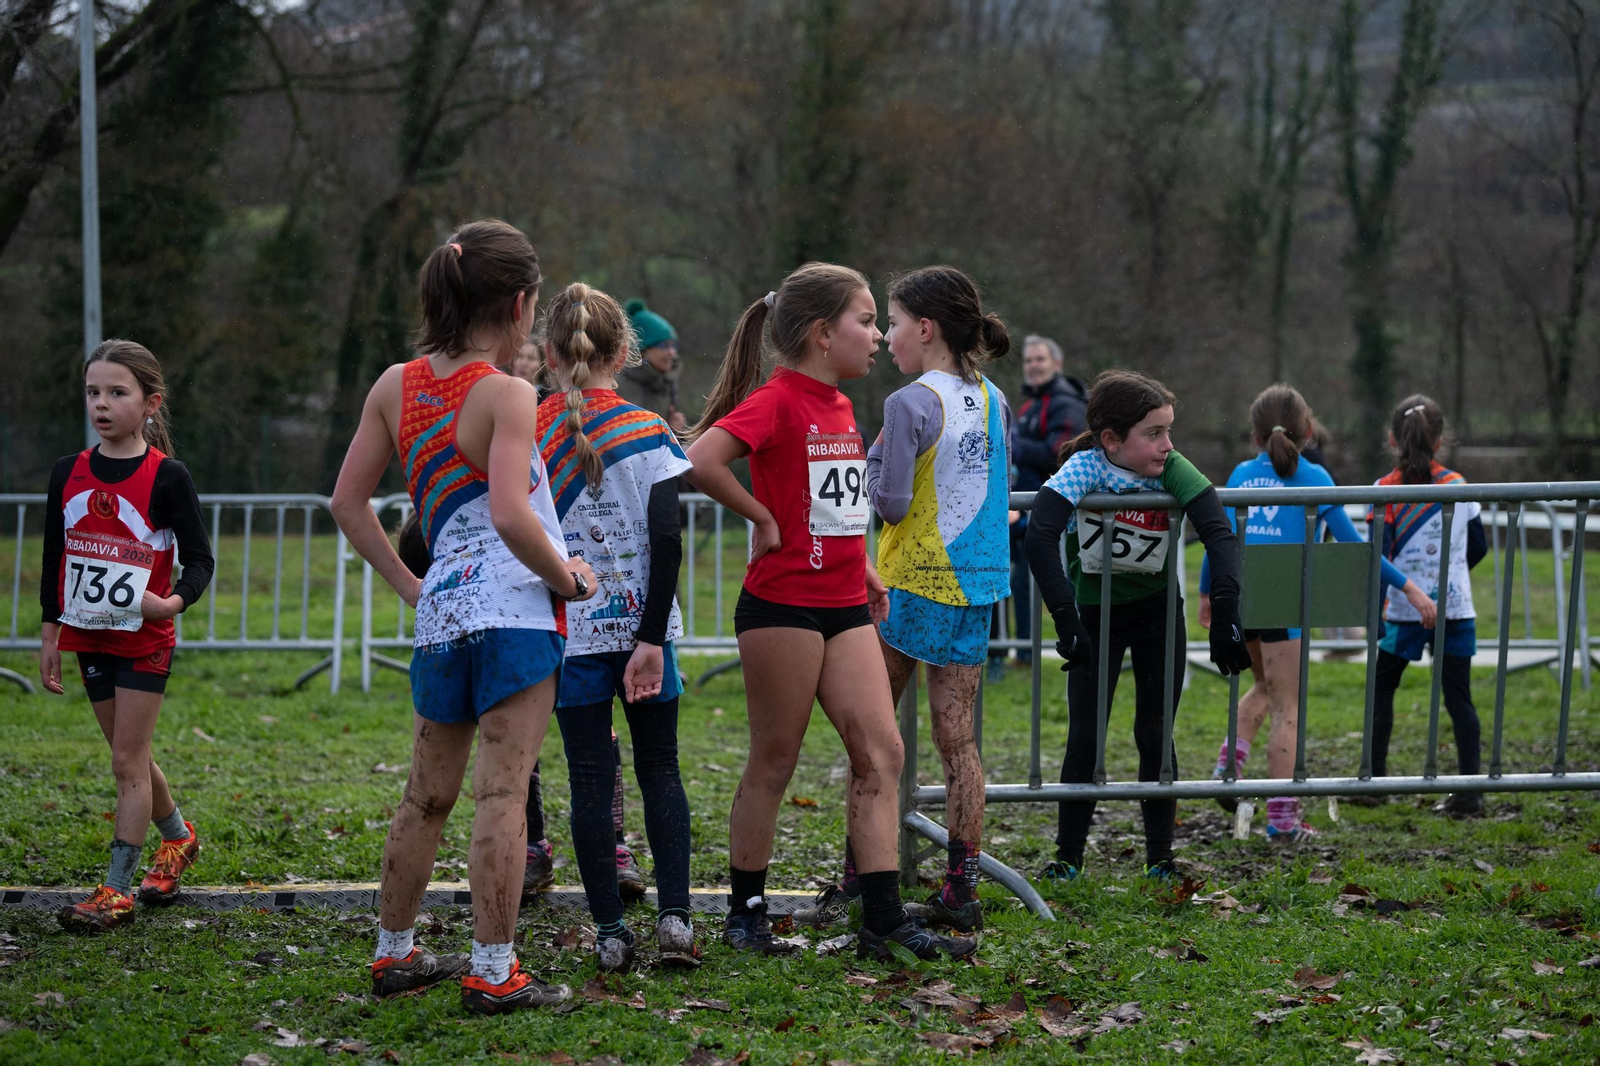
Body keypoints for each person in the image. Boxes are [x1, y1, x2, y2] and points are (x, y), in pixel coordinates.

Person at [330, 219, 596, 1015]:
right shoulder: (508, 393)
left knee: (424, 796)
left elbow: (347, 502)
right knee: (501, 796)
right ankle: (492, 968)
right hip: (514, 615)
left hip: (443, 612)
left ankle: (394, 954)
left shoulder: (393, 385)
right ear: (520, 305)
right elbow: (515, 516)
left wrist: (409, 586)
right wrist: (570, 577)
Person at [685, 263, 973, 961]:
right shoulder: (780, 401)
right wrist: (757, 515)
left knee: (882, 753)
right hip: (782, 608)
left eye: (880, 322)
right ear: (822, 333)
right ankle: (746, 915)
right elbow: (700, 459)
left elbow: (834, 507)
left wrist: (864, 564)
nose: (878, 336)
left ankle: (880, 918)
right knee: (775, 761)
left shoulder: (842, 406)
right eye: (866, 321)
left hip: (845, 605)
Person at [1024, 369, 1252, 883]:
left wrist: (1227, 613)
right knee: (1085, 735)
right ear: (1112, 439)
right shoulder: (1086, 468)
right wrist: (1064, 617)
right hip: (1094, 616)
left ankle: (1160, 857)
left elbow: (1219, 531)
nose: (1168, 445)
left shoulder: (1170, 468)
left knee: (1155, 733)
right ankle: (1068, 856)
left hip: (1157, 613)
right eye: (1154, 433)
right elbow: (1039, 536)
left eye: (1170, 430)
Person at [536, 282, 697, 971]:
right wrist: (653, 640)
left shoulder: (528, 431)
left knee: (588, 782)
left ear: (547, 353)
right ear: (624, 352)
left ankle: (608, 934)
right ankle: (677, 925)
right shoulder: (652, 432)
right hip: (646, 634)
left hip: (568, 638)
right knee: (661, 768)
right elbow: (669, 542)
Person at [1197, 384, 1437, 839]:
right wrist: (1409, 586)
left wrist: (1208, 594)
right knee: (1289, 707)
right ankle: (1282, 822)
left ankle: (1227, 771)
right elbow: (1354, 547)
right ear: (1309, 431)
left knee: (1262, 687)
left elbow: (1219, 538)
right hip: (1284, 601)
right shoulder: (1315, 479)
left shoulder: (1242, 473)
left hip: (1244, 598)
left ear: (1255, 434)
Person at [41, 340, 214, 933]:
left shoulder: (167, 476)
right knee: (130, 756)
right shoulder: (68, 472)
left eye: (118, 392)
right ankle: (179, 838)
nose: (102, 404)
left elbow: (199, 560)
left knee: (125, 760)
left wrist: (170, 603)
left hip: (146, 638)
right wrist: (49, 634)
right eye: (94, 392)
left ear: (150, 404)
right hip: (89, 636)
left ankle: (115, 891)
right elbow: (53, 560)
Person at [868, 266, 1012, 932]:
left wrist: (868, 465)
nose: (886, 336)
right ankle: (962, 887)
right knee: (959, 744)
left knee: (872, 736)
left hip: (909, 586)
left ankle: (861, 878)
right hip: (976, 585)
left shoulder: (908, 403)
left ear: (925, 329)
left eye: (891, 322)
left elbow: (891, 504)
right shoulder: (994, 398)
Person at [1368, 394, 1487, 816]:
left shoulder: (1385, 491)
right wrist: (1448, 578)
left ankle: (1374, 782)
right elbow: (1479, 546)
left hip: (1403, 609)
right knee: (1459, 698)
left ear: (1392, 439)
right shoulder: (1458, 486)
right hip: (1455, 608)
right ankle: (1471, 794)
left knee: (1382, 688)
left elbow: (1376, 553)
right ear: (1439, 440)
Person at [993, 336, 1087, 679]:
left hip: (1052, 509)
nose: (1033, 366)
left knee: (1035, 581)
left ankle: (1052, 646)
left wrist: (1013, 441)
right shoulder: (1032, 403)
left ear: (1057, 365)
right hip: (1025, 507)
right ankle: (1020, 651)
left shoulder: (1065, 403)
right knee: (1017, 580)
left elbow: (1059, 453)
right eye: (1029, 360)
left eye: (1040, 360)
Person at [619, 299, 688, 434]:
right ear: (643, 349)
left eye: (673, 345)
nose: (672, 352)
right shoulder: (619, 386)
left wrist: (677, 433)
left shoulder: (667, 383)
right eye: (664, 345)